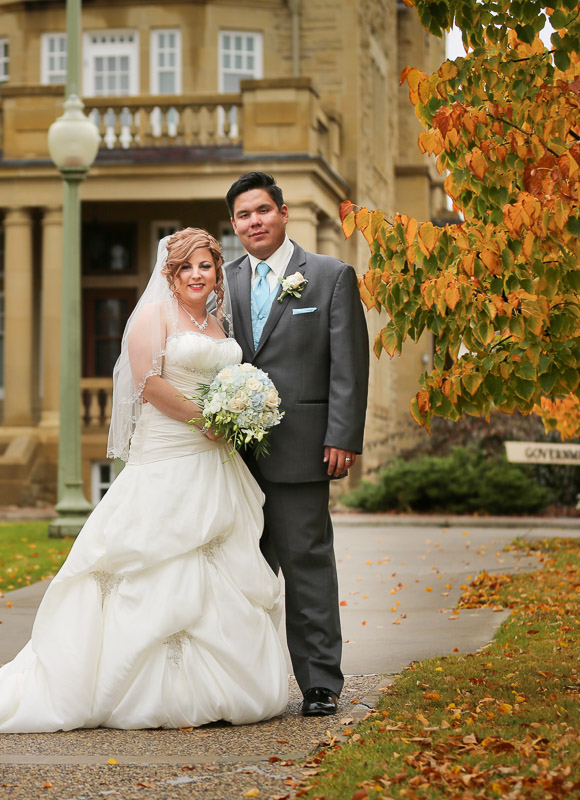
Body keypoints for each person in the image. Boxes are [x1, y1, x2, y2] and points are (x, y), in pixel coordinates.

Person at [0, 228, 289, 736]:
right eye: (186, 267)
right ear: (170, 275)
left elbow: (224, 380)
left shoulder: (216, 322)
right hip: (169, 456)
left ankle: (221, 688)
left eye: (205, 266)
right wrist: (208, 420)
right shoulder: (154, 317)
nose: (197, 275)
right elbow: (149, 385)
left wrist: (238, 412)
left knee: (221, 570)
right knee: (155, 571)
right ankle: (145, 694)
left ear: (218, 272)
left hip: (216, 466)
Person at [222, 171, 369, 717]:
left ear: (283, 213)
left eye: (262, 210)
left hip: (305, 448)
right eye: (243, 215)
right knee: (238, 571)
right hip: (231, 456)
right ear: (234, 225)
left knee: (307, 564)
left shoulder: (329, 277)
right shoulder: (222, 281)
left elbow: (349, 364)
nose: (253, 222)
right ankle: (241, 683)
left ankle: (320, 683)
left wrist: (342, 436)